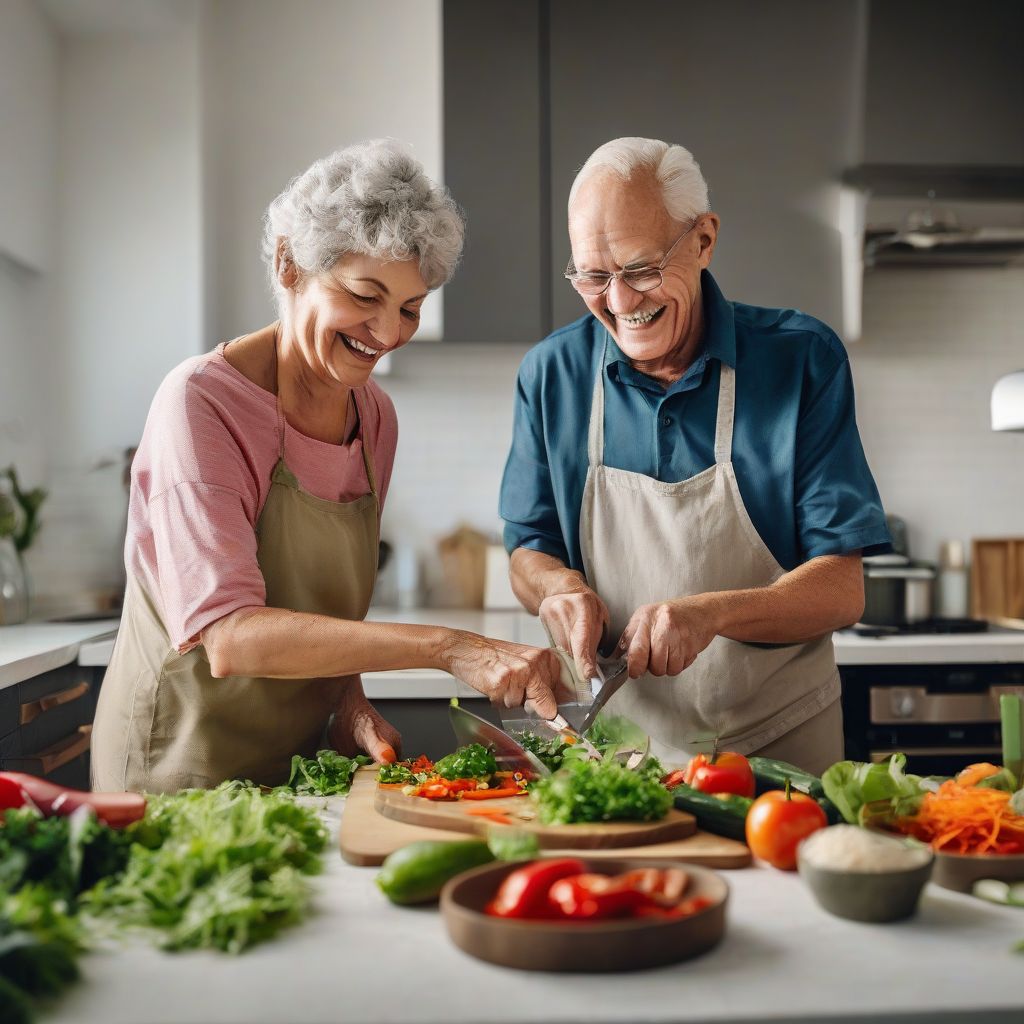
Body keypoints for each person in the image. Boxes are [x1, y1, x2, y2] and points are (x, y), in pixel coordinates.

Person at [92, 140, 564, 794]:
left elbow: (319, 613)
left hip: (297, 771)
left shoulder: (375, 419)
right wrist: (447, 646)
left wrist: (346, 703)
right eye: (365, 294)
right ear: (289, 265)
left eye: (409, 308)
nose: (387, 331)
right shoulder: (201, 404)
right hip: (177, 770)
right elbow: (229, 636)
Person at [499, 137, 891, 775]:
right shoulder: (552, 374)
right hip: (616, 748)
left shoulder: (802, 360)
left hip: (778, 746)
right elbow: (526, 550)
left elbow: (842, 591)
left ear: (704, 239)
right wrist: (557, 587)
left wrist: (712, 612)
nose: (620, 303)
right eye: (594, 277)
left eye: (642, 268)